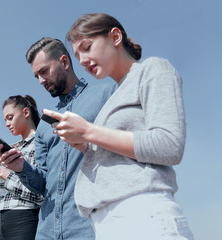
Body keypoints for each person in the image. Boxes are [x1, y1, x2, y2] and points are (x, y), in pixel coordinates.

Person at [42, 13, 194, 239]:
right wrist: (84, 145)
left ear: (115, 37)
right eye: (77, 55)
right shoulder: (113, 98)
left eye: (87, 47)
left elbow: (169, 145)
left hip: (143, 215)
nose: (82, 60)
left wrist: (89, 131)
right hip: (105, 223)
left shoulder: (153, 69)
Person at [0, 38, 117, 239]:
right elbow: (42, 183)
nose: (41, 81)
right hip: (46, 230)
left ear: (64, 62)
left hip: (91, 228)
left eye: (44, 72)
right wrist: (21, 168)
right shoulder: (45, 124)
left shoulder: (107, 95)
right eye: (36, 76)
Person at [0, 95, 43, 240]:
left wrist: (0, 171)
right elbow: (5, 191)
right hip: (4, 217)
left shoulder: (40, 143)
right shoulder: (14, 148)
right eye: (5, 120)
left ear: (26, 113)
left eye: (10, 117)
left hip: (25, 218)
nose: (6, 124)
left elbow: (38, 195)